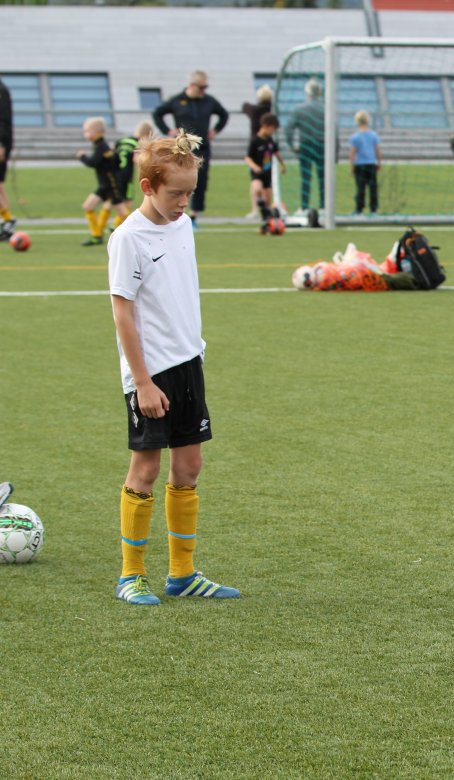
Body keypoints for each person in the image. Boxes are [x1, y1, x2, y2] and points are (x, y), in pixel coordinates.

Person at [107, 131, 240, 604]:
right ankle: (131, 575)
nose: (184, 203)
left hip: (188, 363)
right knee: (145, 468)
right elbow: (123, 314)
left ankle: (182, 575)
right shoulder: (128, 238)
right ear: (147, 187)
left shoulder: (182, 225)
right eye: (175, 194)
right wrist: (142, 381)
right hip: (151, 373)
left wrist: (194, 351)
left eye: (190, 192)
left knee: (190, 465)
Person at [152, 70, 229, 227]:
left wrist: (215, 130)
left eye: (206, 87)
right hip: (182, 147)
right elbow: (157, 113)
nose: (204, 90)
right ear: (192, 85)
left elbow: (224, 115)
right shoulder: (177, 100)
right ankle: (173, 211)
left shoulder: (209, 101)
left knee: (200, 180)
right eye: (201, 87)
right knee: (178, 180)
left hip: (202, 147)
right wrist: (168, 131)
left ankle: (194, 215)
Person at [77, 117, 129, 247]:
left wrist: (82, 157)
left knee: (123, 213)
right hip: (104, 186)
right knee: (88, 206)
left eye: (87, 131)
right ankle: (96, 236)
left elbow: (93, 162)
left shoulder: (101, 146)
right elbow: (114, 162)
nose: (85, 134)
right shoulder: (101, 145)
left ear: (96, 132)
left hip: (111, 185)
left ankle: (140, 232)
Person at [286, 78, 326, 214]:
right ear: (319, 93)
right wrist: (335, 150)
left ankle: (304, 206)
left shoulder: (299, 109)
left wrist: (292, 145)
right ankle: (324, 207)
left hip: (306, 145)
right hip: (322, 145)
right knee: (323, 178)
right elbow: (334, 130)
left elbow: (288, 129)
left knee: (305, 178)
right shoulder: (326, 110)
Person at [245, 113, 286, 233]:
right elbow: (247, 158)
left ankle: (266, 222)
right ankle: (257, 209)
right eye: (273, 129)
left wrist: (283, 165)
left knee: (268, 199)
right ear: (266, 126)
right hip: (257, 172)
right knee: (257, 188)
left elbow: (276, 153)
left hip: (268, 173)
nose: (273, 132)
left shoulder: (270, 140)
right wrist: (254, 167)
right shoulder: (255, 141)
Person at [112, 122, 155, 226]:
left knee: (114, 199)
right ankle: (116, 226)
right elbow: (136, 160)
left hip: (115, 174)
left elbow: (113, 153)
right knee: (128, 202)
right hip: (127, 176)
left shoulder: (122, 141)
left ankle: (110, 225)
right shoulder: (137, 144)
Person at [242, 84, 274, 219]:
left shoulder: (254, 110)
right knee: (267, 181)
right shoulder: (272, 110)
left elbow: (244, 106)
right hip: (268, 148)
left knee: (255, 179)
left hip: (255, 148)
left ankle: (256, 209)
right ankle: (267, 207)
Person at [348, 110, 381, 215]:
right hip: (371, 164)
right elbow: (378, 150)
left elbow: (352, 154)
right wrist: (379, 163)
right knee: (373, 187)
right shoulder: (374, 135)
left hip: (360, 165)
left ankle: (359, 209)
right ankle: (373, 209)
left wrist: (351, 167)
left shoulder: (355, 137)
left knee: (360, 188)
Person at [0, 76, 14, 241]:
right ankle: (7, 221)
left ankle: (8, 221)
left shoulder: (1, 91)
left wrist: (2, 143)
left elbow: (3, 120)